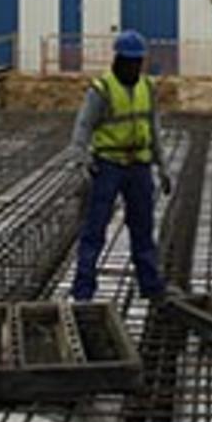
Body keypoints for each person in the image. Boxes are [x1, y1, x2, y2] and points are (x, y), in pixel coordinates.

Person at [69, 30, 173, 303]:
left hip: (139, 165)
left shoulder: (146, 88)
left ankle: (150, 286)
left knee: (143, 229)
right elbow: (83, 125)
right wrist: (81, 160)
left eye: (138, 61)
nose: (134, 66)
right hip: (108, 166)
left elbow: (154, 128)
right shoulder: (102, 89)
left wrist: (163, 166)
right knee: (94, 229)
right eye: (129, 60)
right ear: (118, 60)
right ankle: (83, 290)